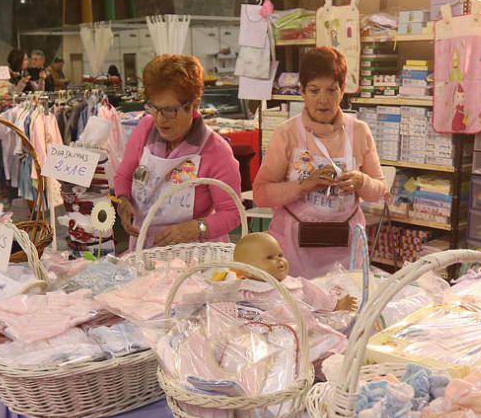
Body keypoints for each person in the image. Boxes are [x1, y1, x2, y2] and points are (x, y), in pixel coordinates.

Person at [253, 47, 386, 278]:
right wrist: (303, 186)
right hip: (293, 250)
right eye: (314, 91)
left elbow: (379, 190)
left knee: (346, 307)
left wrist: (360, 181)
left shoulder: (359, 131)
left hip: (346, 249)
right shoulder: (287, 134)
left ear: (342, 90)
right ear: (302, 91)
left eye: (331, 90)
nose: (323, 100)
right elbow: (261, 194)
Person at [113, 53, 242, 248]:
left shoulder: (216, 151)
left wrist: (194, 228)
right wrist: (123, 201)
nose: (160, 119)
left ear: (194, 105)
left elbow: (233, 213)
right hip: (144, 248)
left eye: (170, 110)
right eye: (154, 108)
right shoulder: (144, 130)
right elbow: (124, 175)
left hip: (194, 254)